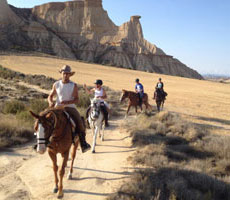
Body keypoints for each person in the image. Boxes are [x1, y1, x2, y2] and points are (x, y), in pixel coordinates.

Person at [48, 65, 91, 153]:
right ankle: (41, 142)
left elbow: (77, 99)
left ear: (70, 75)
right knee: (44, 119)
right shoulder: (56, 84)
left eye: (67, 74)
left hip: (70, 107)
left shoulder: (73, 85)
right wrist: (50, 102)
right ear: (61, 73)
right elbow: (50, 96)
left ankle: (83, 143)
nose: (65, 75)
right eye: (64, 73)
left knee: (80, 123)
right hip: (57, 107)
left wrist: (67, 102)